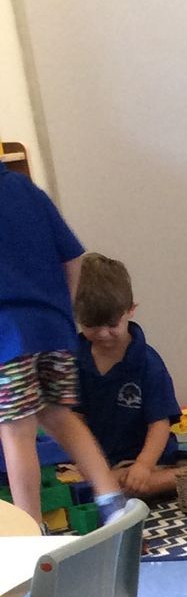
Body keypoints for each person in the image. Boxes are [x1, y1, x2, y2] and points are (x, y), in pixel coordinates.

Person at [0, 168, 124, 530]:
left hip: (7, 336)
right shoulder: (23, 187)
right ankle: (111, 498)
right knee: (59, 415)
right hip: (53, 328)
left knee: (14, 430)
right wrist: (62, 311)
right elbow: (73, 258)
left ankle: (29, 527)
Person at [37, 254, 187, 500]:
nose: (103, 334)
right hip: (99, 459)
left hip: (144, 457)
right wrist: (85, 462)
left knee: (128, 484)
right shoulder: (74, 358)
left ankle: (185, 473)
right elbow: (73, 418)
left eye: (111, 324)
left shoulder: (147, 363)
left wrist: (143, 465)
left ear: (130, 311)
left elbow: (159, 424)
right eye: (91, 326)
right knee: (63, 483)